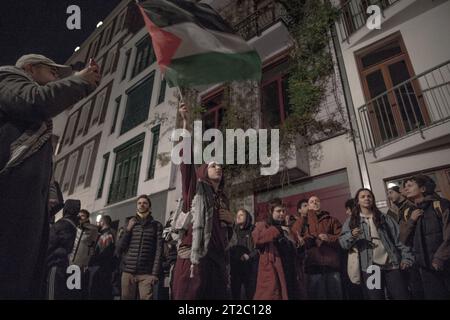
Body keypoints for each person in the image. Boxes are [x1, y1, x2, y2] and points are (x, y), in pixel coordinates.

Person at [0, 54, 100, 299]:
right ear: (31, 68)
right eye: (53, 72)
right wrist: (80, 82)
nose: (56, 77)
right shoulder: (7, 79)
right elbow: (35, 102)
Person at [171, 103, 234, 300]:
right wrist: (185, 124)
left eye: (220, 166)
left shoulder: (223, 200)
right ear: (203, 171)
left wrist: (231, 222)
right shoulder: (195, 191)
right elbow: (186, 164)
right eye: (213, 165)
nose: (219, 168)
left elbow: (224, 236)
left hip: (217, 263)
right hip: (194, 260)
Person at [340, 188, 413, 300]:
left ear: (373, 199)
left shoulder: (384, 218)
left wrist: (406, 257)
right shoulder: (352, 221)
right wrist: (352, 235)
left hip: (392, 265)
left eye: (369, 196)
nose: (367, 198)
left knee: (401, 295)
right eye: (363, 196)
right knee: (375, 297)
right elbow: (343, 244)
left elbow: (399, 239)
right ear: (357, 201)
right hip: (370, 268)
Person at [400, 175, 450, 299]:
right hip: (424, 268)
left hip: (444, 263)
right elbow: (403, 239)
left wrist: (439, 258)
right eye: (405, 187)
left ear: (422, 189)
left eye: (410, 185)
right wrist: (411, 221)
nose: (406, 189)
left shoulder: (440, 205)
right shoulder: (408, 212)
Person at [116, 195, 163, 300]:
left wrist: (154, 273)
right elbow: (119, 248)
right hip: (128, 272)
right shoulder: (129, 223)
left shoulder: (156, 225)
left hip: (146, 273)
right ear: (136, 206)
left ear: (149, 207)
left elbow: (159, 250)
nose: (142, 205)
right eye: (139, 203)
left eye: (145, 203)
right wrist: (128, 230)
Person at [253, 202, 299, 300]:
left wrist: (300, 245)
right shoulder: (262, 225)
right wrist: (278, 229)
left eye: (283, 211)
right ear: (271, 212)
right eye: (278, 211)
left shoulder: (288, 229)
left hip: (289, 271)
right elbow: (257, 240)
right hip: (272, 272)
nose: (282, 213)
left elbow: (296, 249)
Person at [303, 196, 343, 300]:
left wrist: (328, 238)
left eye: (317, 201)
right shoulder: (304, 222)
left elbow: (342, 238)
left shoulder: (332, 220)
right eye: (311, 202)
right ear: (308, 206)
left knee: (336, 296)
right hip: (313, 266)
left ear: (320, 204)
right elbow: (297, 238)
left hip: (331, 265)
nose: (315, 203)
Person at [45, 199, 80, 300]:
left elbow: (50, 244)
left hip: (54, 264)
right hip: (64, 264)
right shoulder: (73, 225)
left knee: (51, 295)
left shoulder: (61, 224)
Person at [230, 209, 259, 300]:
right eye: (237, 215)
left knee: (250, 293)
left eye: (241, 215)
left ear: (247, 217)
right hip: (235, 267)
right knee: (235, 293)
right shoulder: (233, 231)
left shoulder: (253, 230)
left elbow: (257, 248)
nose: (238, 216)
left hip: (249, 267)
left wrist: (249, 256)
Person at [87, 215, 115, 300]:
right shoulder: (109, 234)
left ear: (102, 222)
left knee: (96, 291)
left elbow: (102, 253)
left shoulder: (106, 235)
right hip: (102, 268)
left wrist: (92, 261)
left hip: (100, 268)